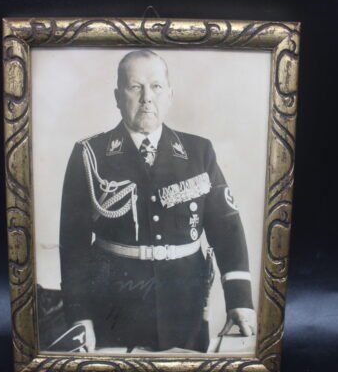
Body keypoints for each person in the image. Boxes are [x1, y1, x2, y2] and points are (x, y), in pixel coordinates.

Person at [58, 50, 256, 353]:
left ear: (170, 95)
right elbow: (73, 244)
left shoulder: (199, 152)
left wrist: (239, 301)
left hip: (186, 307)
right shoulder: (90, 155)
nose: (147, 98)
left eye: (156, 87)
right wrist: (79, 316)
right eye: (135, 87)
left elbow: (227, 228)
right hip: (113, 310)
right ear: (117, 96)